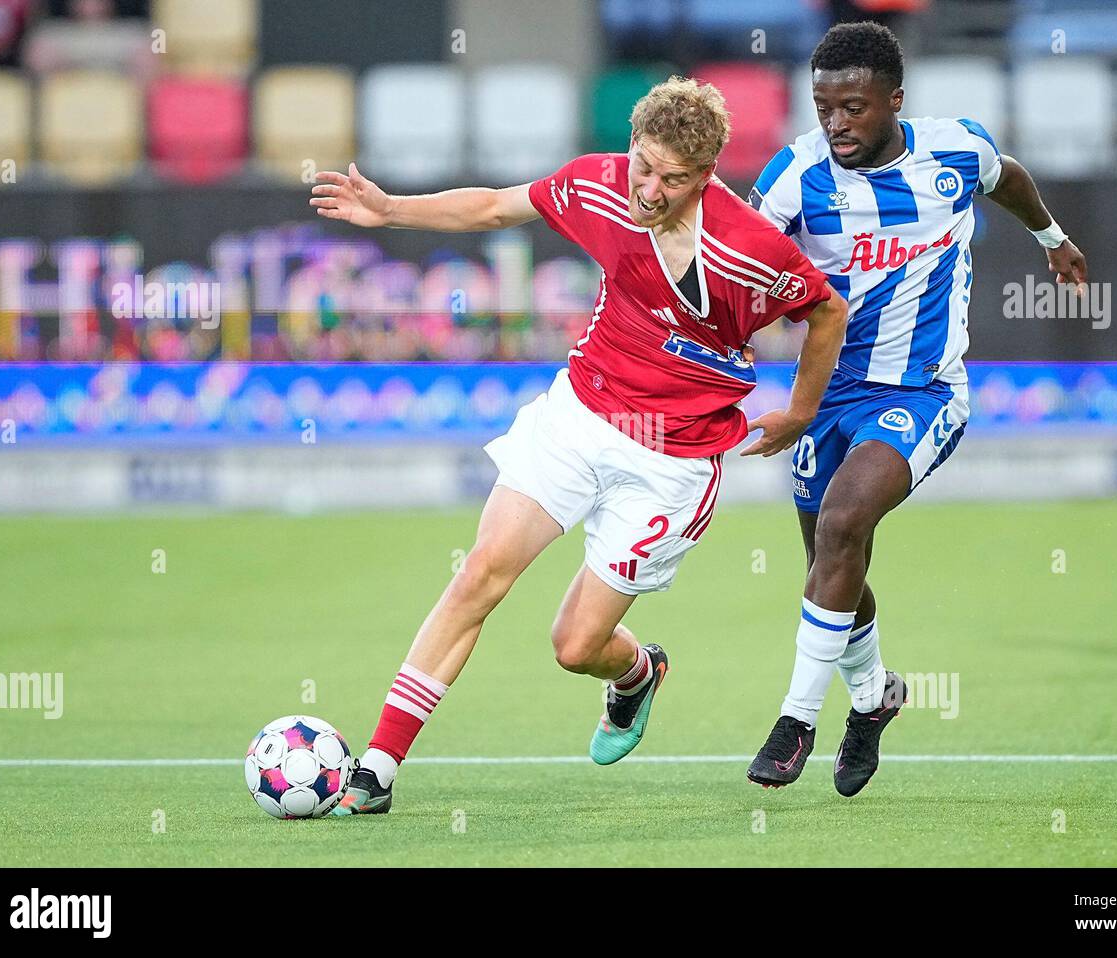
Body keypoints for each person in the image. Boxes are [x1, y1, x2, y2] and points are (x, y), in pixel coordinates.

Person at [309, 77, 848, 813]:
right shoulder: (596, 186)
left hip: (673, 462)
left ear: (709, 173)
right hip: (580, 418)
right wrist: (392, 210)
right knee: (481, 575)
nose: (650, 190)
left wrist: (800, 412)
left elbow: (826, 313)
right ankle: (378, 767)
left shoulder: (751, 250)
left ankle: (636, 673)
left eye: (674, 179)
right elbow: (497, 205)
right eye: (644, 166)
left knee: (575, 647)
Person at [745, 21, 1087, 794]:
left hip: (924, 392)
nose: (836, 125)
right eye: (824, 107)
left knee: (840, 526)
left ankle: (795, 721)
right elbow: (739, 263)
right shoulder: (797, 174)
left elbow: (1009, 178)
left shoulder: (954, 151)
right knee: (829, 561)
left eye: (854, 109)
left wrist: (1051, 238)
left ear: (895, 100)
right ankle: (874, 699)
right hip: (825, 397)